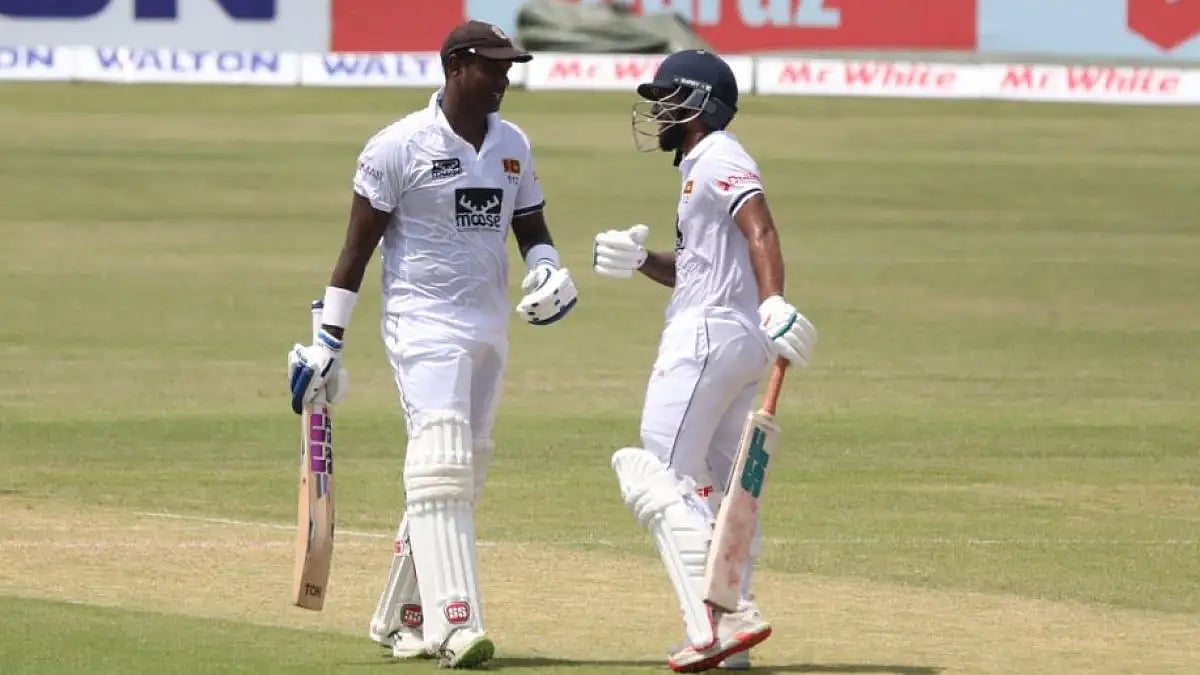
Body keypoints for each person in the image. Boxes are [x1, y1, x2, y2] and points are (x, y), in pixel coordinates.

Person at [286, 20, 578, 669]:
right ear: (456, 65)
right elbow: (354, 252)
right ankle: (456, 622)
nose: (507, 78)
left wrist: (550, 268)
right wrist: (326, 341)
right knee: (440, 461)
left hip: (488, 324)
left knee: (460, 473)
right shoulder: (398, 146)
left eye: (510, 66)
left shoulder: (513, 145)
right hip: (421, 322)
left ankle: (398, 615)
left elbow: (530, 224)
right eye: (494, 66)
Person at [592, 49, 817, 673]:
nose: (657, 109)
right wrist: (640, 262)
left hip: (709, 339)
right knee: (718, 492)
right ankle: (730, 629)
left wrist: (774, 301)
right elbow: (697, 269)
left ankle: (722, 619)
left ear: (696, 103)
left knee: (657, 476)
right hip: (734, 339)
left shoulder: (720, 156)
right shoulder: (698, 165)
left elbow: (761, 229)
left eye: (667, 97)